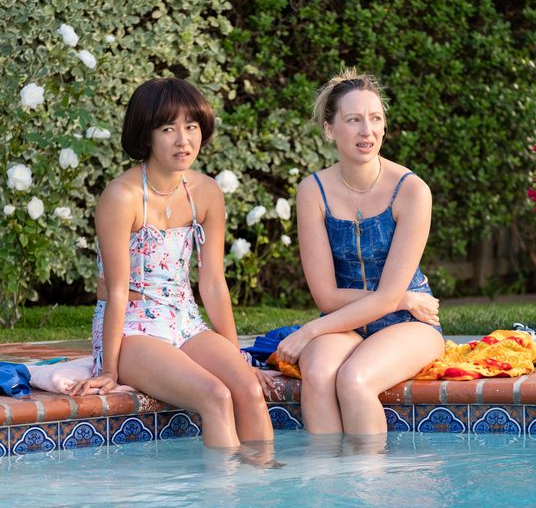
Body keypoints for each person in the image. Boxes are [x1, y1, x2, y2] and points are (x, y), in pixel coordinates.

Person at [69, 77, 274, 449]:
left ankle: (265, 481)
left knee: (247, 388)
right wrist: (110, 369)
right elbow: (116, 291)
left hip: (185, 320)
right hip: (133, 328)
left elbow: (213, 283)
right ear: (147, 135)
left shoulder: (206, 192)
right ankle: (228, 484)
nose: (183, 140)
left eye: (191, 127)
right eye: (168, 129)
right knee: (215, 395)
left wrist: (236, 356)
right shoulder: (122, 196)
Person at [275, 68, 445, 436]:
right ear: (329, 129)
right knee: (318, 374)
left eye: (375, 118)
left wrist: (310, 331)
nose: (367, 131)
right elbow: (325, 295)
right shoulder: (313, 191)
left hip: (409, 324)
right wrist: (403, 298)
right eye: (353, 120)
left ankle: (368, 473)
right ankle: (326, 472)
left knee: (354, 380)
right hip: (345, 321)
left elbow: (387, 298)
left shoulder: (412, 191)